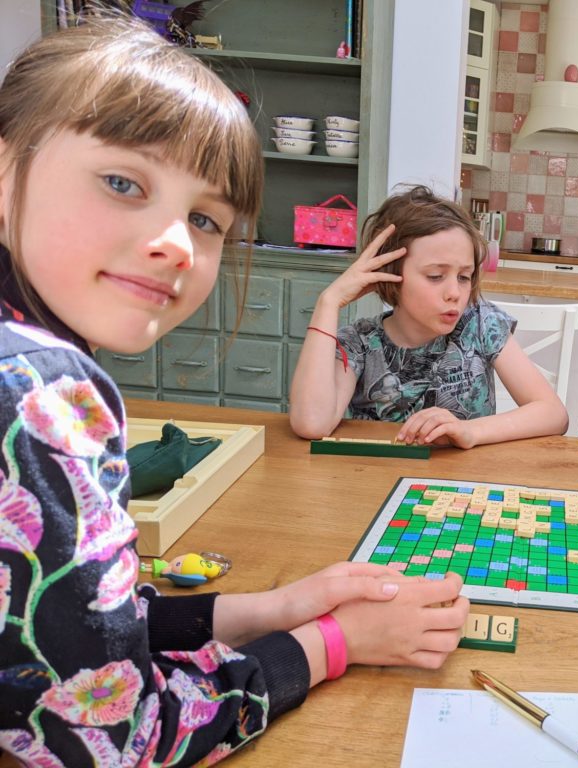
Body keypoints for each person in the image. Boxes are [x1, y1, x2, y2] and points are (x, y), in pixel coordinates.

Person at [0, 18, 469, 766]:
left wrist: (275, 609)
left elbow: (75, 625)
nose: (177, 244)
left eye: (206, 219)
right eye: (123, 182)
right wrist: (328, 642)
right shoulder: (40, 389)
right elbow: (121, 738)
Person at [288, 185, 568, 447]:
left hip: (462, 488)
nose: (454, 293)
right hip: (375, 482)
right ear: (391, 274)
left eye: (464, 276)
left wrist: (471, 431)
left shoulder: (481, 324)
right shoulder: (359, 342)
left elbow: (553, 413)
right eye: (435, 276)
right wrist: (329, 301)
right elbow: (312, 424)